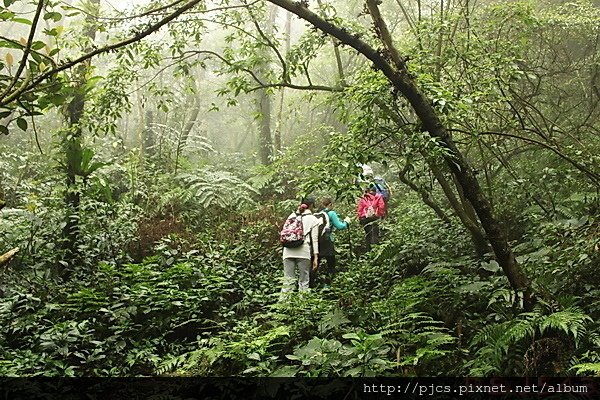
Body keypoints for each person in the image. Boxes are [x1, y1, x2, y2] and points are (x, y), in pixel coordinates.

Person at [281, 196, 321, 293]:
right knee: (304, 281)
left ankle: (283, 305)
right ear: (311, 206)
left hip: (288, 251)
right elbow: (314, 240)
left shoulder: (292, 216)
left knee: (288, 280)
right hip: (303, 251)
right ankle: (302, 304)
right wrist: (315, 257)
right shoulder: (313, 219)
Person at [313, 197, 351, 286]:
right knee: (331, 264)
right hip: (328, 241)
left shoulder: (316, 214)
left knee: (315, 264)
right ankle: (328, 285)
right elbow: (340, 226)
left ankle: (311, 285)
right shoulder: (331, 213)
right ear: (330, 204)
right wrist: (346, 222)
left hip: (316, 242)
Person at [357, 184, 386, 251]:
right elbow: (381, 207)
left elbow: (360, 209)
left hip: (365, 218)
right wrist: (380, 215)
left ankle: (368, 249)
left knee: (368, 233)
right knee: (374, 232)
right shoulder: (378, 197)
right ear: (375, 191)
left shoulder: (363, 198)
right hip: (375, 217)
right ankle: (375, 250)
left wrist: (360, 217)